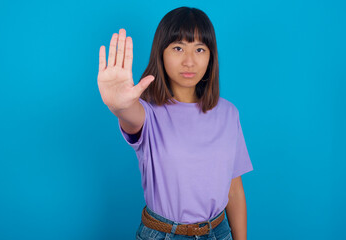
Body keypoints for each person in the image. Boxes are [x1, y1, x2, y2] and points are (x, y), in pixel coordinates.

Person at [97, 6, 253, 240]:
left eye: (200, 49)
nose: (189, 61)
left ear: (211, 56)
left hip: (219, 233)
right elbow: (130, 116)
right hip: (163, 234)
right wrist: (119, 106)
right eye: (178, 48)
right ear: (161, 53)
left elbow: (234, 189)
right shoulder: (148, 113)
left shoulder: (228, 113)